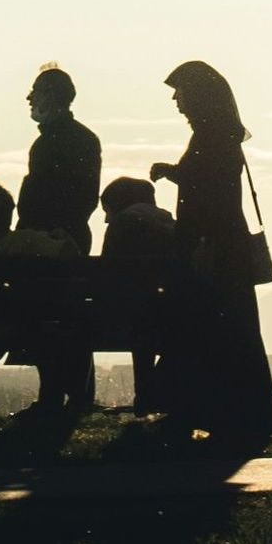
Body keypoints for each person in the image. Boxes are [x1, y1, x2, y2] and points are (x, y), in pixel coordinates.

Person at [148, 61, 272, 448]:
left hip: (212, 247)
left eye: (180, 91)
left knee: (207, 331)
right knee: (227, 332)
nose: (176, 100)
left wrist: (171, 173)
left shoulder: (210, 135)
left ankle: (206, 413)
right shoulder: (221, 133)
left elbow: (207, 187)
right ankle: (237, 414)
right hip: (223, 247)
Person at [17, 65, 102, 413]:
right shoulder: (84, 138)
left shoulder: (49, 142)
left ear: (51, 98)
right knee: (70, 315)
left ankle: (54, 395)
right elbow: (87, 196)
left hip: (48, 239)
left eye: (35, 92)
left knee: (49, 316)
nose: (29, 99)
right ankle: (76, 395)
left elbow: (42, 194)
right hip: (70, 236)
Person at [0, 182, 78, 404]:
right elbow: (70, 253)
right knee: (16, 325)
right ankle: (50, 403)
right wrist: (63, 237)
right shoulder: (29, 240)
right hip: (29, 322)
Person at [97, 176, 176, 416]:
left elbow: (105, 275)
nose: (105, 218)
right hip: (175, 313)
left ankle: (147, 396)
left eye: (107, 210)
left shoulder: (122, 223)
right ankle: (154, 397)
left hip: (126, 315)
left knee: (142, 325)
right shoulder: (169, 222)